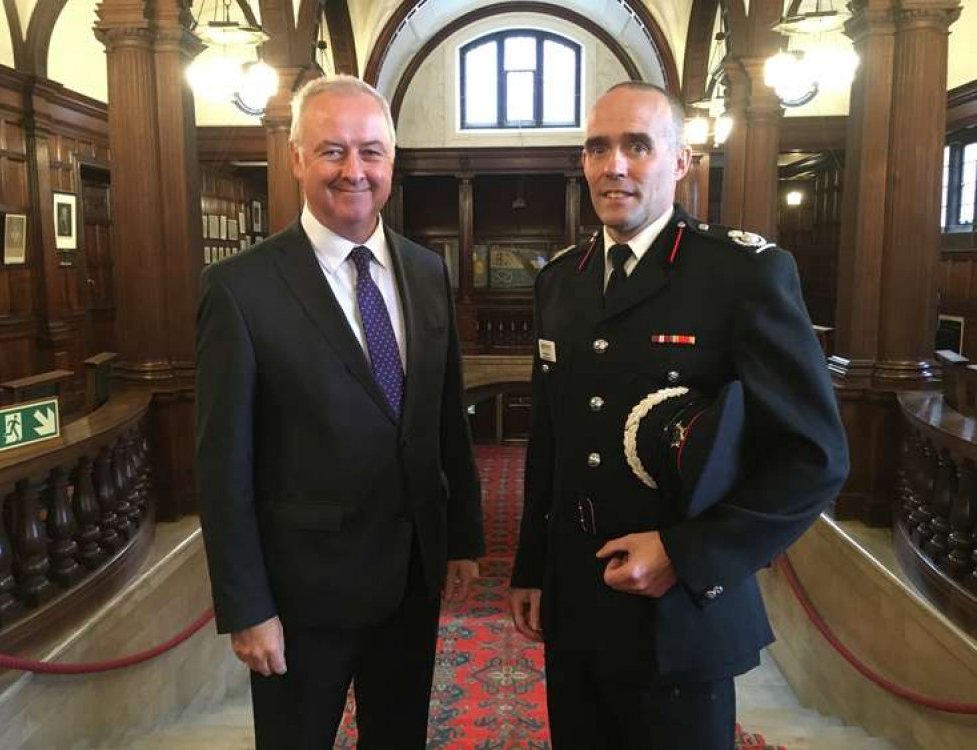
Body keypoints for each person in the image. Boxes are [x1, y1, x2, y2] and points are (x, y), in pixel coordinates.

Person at [508, 81, 850, 749]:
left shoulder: (740, 274)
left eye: (637, 146)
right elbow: (550, 441)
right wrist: (530, 568)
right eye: (597, 148)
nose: (614, 166)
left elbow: (814, 457)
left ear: (680, 161)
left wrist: (686, 553)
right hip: (577, 601)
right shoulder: (562, 280)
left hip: (678, 612)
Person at [196, 74, 484, 750]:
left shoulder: (425, 271)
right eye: (331, 151)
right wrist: (248, 607)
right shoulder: (239, 289)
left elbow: (444, 419)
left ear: (393, 159)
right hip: (301, 600)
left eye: (371, 151)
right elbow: (222, 463)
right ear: (296, 157)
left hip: (410, 583)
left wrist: (463, 537)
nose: (353, 170)